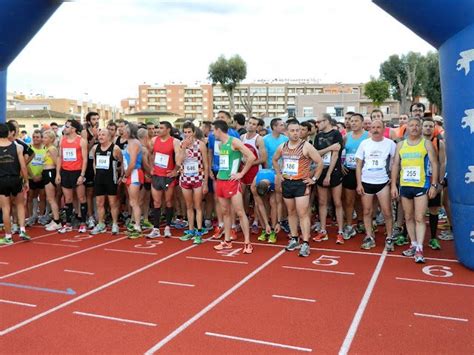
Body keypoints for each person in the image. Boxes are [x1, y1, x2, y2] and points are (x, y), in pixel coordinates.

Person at [391, 117, 439, 263]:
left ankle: (419, 248)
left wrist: (434, 185)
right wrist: (394, 185)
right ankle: (413, 244)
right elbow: (395, 166)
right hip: (405, 186)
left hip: (421, 185)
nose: (414, 128)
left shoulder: (426, 144)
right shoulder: (401, 145)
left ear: (421, 127)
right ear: (407, 128)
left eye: (417, 125)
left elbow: (435, 164)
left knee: (419, 217)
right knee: (408, 217)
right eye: (411, 125)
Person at [273, 119, 323, 257]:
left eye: (298, 130)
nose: (296, 133)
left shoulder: (306, 146)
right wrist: (278, 174)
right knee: (291, 212)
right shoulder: (282, 146)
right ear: (287, 132)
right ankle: (294, 238)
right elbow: (274, 159)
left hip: (301, 183)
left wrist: (314, 179)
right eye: (293, 131)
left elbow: (319, 162)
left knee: (303, 213)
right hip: (287, 183)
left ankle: (306, 242)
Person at [212, 120, 256, 254]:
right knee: (225, 212)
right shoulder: (221, 144)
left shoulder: (234, 141)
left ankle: (247, 243)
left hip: (232, 181)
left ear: (218, 130)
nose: (213, 133)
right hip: (221, 179)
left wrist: (241, 173)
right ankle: (227, 241)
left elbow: (251, 156)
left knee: (239, 212)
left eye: (214, 130)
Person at [355, 120, 396, 250]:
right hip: (366, 181)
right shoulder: (364, 143)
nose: (376, 129)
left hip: (383, 182)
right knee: (367, 211)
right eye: (373, 127)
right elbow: (358, 165)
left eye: (378, 127)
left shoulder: (390, 144)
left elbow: (395, 163)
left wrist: (393, 180)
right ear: (370, 130)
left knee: (387, 212)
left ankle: (389, 237)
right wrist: (359, 183)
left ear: (384, 128)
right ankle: (369, 236)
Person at [207, 111, 241, 239]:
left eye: (223, 117)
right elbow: (210, 151)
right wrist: (210, 168)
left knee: (231, 201)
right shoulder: (212, 135)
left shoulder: (234, 134)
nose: (220, 119)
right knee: (218, 198)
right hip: (217, 169)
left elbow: (239, 154)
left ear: (228, 120)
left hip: (230, 171)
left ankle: (232, 226)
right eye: (218, 117)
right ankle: (221, 224)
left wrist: (238, 172)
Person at [313, 113, 345, 244]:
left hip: (334, 171)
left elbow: (335, 154)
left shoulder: (336, 134)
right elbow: (315, 153)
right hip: (321, 169)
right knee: (322, 202)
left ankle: (340, 231)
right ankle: (323, 230)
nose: (317, 124)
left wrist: (329, 174)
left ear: (326, 121)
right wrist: (329, 148)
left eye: (319, 122)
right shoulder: (318, 136)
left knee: (337, 202)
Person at [176, 122, 209, 244]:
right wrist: (184, 147)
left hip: (198, 178)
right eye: (185, 132)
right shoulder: (181, 144)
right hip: (185, 178)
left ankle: (199, 231)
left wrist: (205, 182)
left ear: (194, 132)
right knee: (188, 206)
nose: (187, 134)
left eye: (189, 132)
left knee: (198, 206)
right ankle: (190, 230)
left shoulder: (200, 145)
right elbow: (178, 162)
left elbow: (206, 163)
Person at [147, 121, 181, 238]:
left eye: (161, 128)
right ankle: (156, 228)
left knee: (168, 201)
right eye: (158, 128)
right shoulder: (153, 140)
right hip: (156, 175)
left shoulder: (175, 142)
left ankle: (167, 227)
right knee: (156, 202)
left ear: (168, 130)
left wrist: (175, 170)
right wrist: (151, 167)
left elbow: (178, 157)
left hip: (168, 176)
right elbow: (150, 154)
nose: (159, 130)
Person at [56, 119, 88, 233]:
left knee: (81, 198)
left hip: (78, 171)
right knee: (68, 199)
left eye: (67, 126)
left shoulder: (81, 141)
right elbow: (59, 157)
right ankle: (68, 223)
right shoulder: (62, 140)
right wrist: (58, 173)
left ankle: (83, 222)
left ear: (74, 129)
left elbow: (85, 159)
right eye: (65, 126)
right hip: (65, 172)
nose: (65, 128)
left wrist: (82, 175)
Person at [0, 123, 30, 244]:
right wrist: (26, 180)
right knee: (19, 204)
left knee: (6, 208)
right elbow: (23, 166)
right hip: (15, 179)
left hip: (1, 180)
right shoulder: (18, 147)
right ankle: (22, 229)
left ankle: (8, 236)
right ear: (9, 133)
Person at [90, 129, 123, 235]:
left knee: (112, 203)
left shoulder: (115, 148)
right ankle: (100, 223)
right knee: (99, 203)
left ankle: (114, 224)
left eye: (103, 135)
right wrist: (96, 174)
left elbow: (122, 162)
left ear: (109, 137)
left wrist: (121, 176)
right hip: (99, 179)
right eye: (99, 135)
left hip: (111, 179)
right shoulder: (95, 148)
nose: (100, 136)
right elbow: (94, 162)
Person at [341, 113, 369, 239]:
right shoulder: (346, 137)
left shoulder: (368, 136)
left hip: (364, 173)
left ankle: (361, 221)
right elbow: (340, 152)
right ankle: (348, 225)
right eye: (351, 121)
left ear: (362, 123)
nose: (353, 123)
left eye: (356, 121)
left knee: (362, 200)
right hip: (349, 171)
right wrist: (341, 164)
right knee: (349, 200)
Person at [422, 117, 446, 250]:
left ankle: (433, 238)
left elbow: (442, 163)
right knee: (415, 210)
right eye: (426, 126)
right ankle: (406, 234)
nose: (428, 128)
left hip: (433, 181)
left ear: (434, 128)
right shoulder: (416, 142)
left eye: (431, 126)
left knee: (434, 209)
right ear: (421, 127)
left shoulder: (439, 143)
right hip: (419, 181)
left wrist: (439, 182)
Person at [240, 116, 267, 233]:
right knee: (244, 195)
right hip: (244, 170)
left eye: (254, 124)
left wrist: (251, 163)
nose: (251, 125)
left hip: (255, 169)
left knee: (255, 196)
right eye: (249, 123)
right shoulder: (242, 137)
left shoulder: (259, 139)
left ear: (257, 127)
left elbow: (264, 158)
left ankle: (256, 221)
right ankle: (246, 217)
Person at [121, 122, 144, 238]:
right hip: (130, 173)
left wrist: (125, 175)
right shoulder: (129, 143)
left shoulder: (134, 143)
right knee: (132, 201)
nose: (122, 131)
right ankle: (134, 224)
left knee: (134, 202)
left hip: (134, 173)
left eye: (124, 129)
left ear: (129, 131)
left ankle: (137, 226)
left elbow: (133, 163)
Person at [251, 168, 281, 243]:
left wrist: (279, 222)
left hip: (273, 182)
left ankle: (273, 230)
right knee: (257, 206)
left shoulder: (276, 180)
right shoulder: (254, 186)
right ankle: (265, 229)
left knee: (273, 202)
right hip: (263, 183)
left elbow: (279, 203)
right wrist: (266, 224)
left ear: (268, 187)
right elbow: (260, 205)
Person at [82, 112, 100, 229]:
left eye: (98, 119)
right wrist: (94, 137)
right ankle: (90, 216)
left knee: (98, 191)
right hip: (88, 164)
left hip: (100, 163)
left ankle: (99, 215)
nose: (96, 121)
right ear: (88, 121)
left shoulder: (101, 131)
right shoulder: (85, 132)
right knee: (89, 191)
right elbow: (86, 149)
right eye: (94, 119)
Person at [42, 130, 62, 231]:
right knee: (50, 198)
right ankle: (55, 219)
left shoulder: (52, 149)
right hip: (46, 172)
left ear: (51, 139)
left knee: (51, 198)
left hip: (50, 172)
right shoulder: (46, 148)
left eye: (45, 137)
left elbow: (57, 161)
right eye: (43, 137)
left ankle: (57, 221)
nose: (43, 139)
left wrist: (57, 174)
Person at [26, 130, 47, 226]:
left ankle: (41, 216)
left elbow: (47, 163)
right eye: (34, 137)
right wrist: (33, 176)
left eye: (37, 137)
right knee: (30, 197)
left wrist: (41, 175)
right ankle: (31, 216)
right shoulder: (28, 148)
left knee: (42, 196)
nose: (35, 139)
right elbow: (25, 164)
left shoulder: (45, 149)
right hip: (31, 177)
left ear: (41, 138)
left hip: (42, 177)